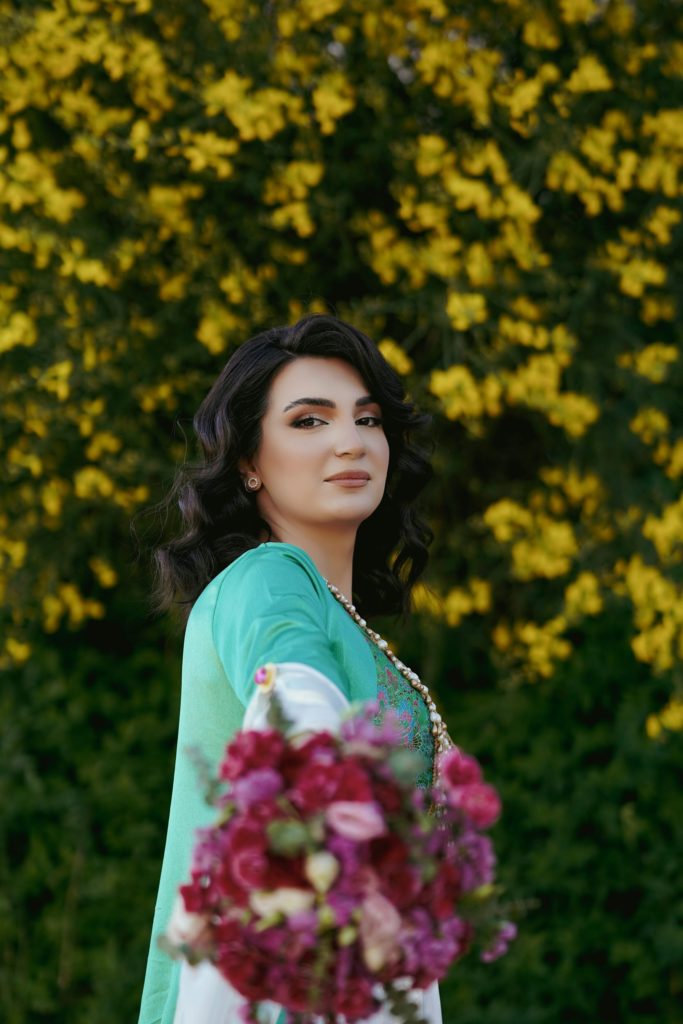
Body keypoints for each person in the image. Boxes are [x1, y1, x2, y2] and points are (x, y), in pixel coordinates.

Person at [138, 314, 449, 1023]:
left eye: (367, 419)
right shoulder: (268, 580)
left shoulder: (341, 618)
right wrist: (319, 766)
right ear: (248, 461)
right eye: (308, 421)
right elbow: (294, 696)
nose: (350, 441)